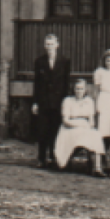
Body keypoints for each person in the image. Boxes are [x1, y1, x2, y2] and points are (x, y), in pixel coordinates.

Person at [32, 34, 71, 168]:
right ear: (44, 46)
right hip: (43, 101)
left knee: (55, 130)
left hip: (58, 102)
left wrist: (66, 103)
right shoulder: (39, 61)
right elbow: (36, 83)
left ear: (57, 45)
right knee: (42, 130)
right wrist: (35, 102)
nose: (49, 47)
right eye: (47, 44)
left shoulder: (64, 61)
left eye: (52, 44)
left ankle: (53, 157)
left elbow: (66, 83)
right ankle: (41, 158)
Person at [53, 78, 106, 176]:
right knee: (73, 136)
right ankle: (63, 161)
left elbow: (91, 121)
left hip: (85, 128)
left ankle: (97, 167)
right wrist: (80, 124)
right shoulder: (68, 100)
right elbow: (65, 121)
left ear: (85, 90)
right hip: (69, 128)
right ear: (73, 89)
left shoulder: (89, 101)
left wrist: (88, 126)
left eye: (81, 89)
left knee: (96, 135)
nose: (79, 91)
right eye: (77, 88)